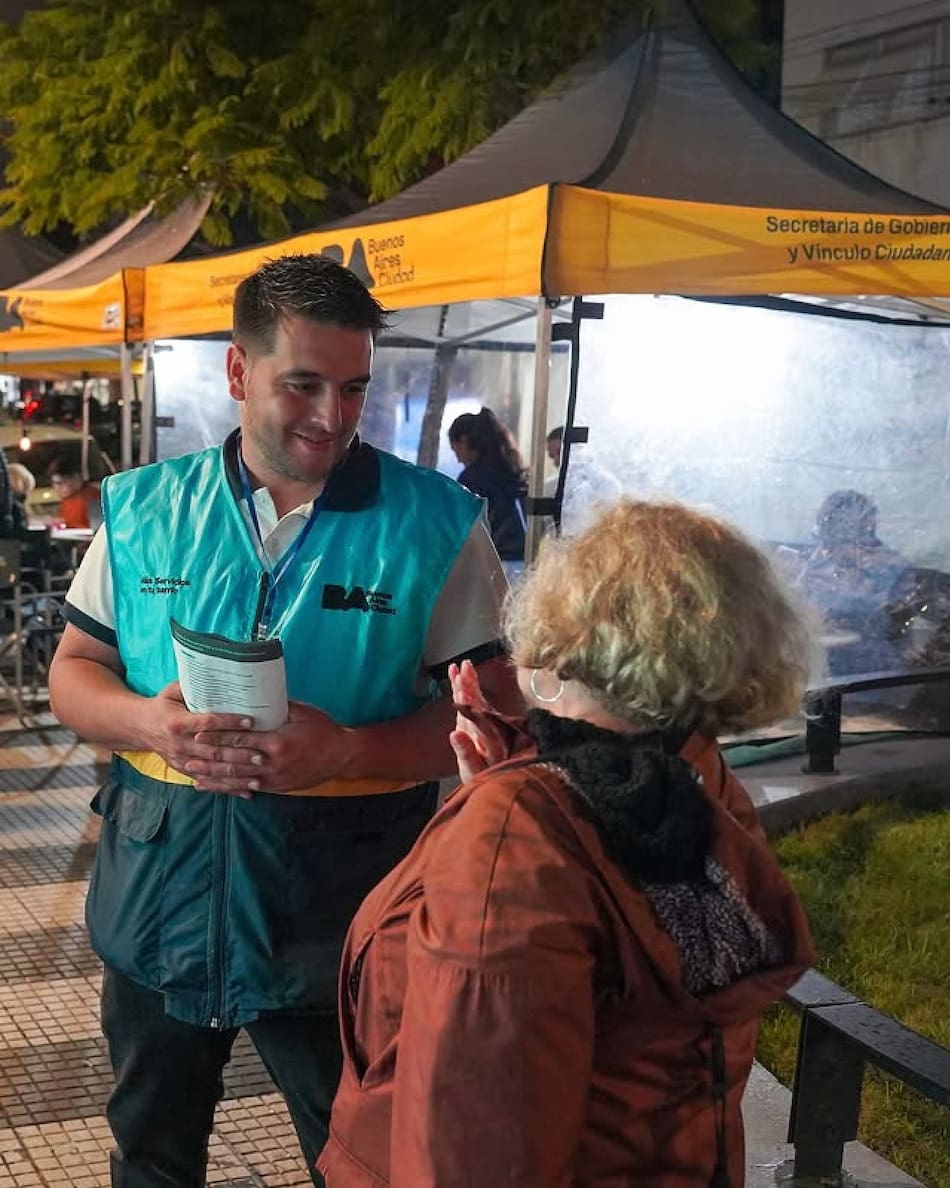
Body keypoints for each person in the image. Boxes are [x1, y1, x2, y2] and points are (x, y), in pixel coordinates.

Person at [48, 254, 519, 1188]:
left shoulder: (434, 525)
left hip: (343, 916)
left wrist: (347, 748)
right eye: (302, 384)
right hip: (158, 899)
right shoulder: (144, 510)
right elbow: (73, 672)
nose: (332, 417)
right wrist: (146, 724)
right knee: (150, 1156)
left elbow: (494, 719)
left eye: (354, 388)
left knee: (363, 1163)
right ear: (238, 369)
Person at [320, 500, 815, 1188]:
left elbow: (476, 1147)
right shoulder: (695, 778)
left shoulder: (518, 831)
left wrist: (501, 821)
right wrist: (519, 783)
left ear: (569, 626)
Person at [799, 489, 909, 675]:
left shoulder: (887, 565)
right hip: (830, 665)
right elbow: (806, 616)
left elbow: (898, 615)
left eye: (869, 532)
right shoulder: (817, 565)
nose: (869, 543)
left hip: (878, 667)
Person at [448, 406, 528, 564]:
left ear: (464, 440)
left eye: (454, 448)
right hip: (523, 557)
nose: (457, 458)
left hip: (495, 561)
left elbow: (463, 527)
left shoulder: (472, 479)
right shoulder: (511, 470)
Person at [48, 455, 102, 529]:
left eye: (60, 483)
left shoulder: (93, 497)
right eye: (54, 483)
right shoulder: (67, 500)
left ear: (76, 478)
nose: (56, 488)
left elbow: (97, 530)